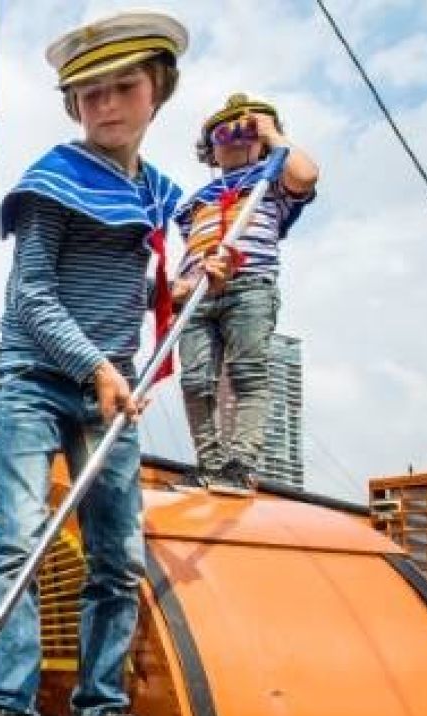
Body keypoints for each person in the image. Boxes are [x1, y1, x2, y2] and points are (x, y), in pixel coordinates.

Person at [0, 11, 201, 716]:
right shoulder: (50, 181)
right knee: (18, 544)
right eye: (87, 93)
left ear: (156, 91)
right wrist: (96, 365)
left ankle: (100, 712)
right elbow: (29, 297)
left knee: (115, 554)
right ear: (72, 106)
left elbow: (164, 276)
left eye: (121, 87)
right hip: (35, 380)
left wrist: (196, 277)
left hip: (108, 392)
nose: (104, 105)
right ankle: (4, 709)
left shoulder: (163, 195)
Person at [171, 93, 320, 496]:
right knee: (195, 379)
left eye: (246, 130)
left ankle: (240, 464)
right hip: (199, 292)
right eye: (224, 132)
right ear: (210, 148)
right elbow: (190, 249)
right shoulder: (195, 201)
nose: (235, 138)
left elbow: (305, 176)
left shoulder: (272, 182)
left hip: (250, 284)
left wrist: (271, 133)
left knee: (248, 373)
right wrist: (182, 286)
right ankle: (209, 463)